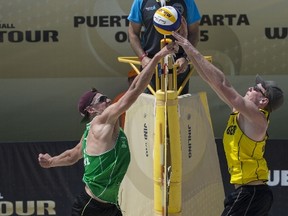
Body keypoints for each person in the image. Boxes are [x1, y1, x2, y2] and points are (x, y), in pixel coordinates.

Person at [38, 43, 178, 216]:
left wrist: (52, 161)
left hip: (110, 205)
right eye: (102, 99)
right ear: (91, 109)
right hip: (90, 207)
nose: (109, 99)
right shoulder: (101, 121)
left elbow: (73, 155)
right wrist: (157, 58)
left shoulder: (90, 132)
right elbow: (134, 92)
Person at [172, 20, 284, 216]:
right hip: (248, 193)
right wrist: (186, 51)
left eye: (256, 88)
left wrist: (189, 45)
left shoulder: (257, 118)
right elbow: (213, 82)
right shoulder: (241, 112)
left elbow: (223, 83)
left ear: (264, 100)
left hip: (252, 193)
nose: (250, 88)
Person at [128, 0, 201, 94]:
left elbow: (194, 33)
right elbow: (133, 33)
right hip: (150, 62)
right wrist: (143, 58)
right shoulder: (141, 1)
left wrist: (186, 57)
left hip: (179, 62)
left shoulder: (187, 2)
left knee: (179, 105)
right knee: (149, 105)